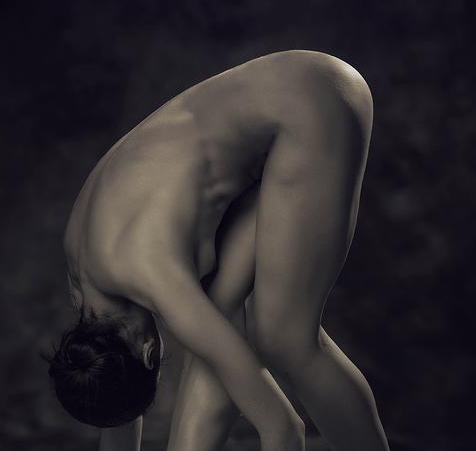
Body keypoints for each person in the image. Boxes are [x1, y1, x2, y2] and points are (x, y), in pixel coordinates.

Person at [45, 50, 390, 451]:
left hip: (314, 102)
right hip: (278, 114)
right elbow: (118, 407)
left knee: (284, 338)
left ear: (150, 352)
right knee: (219, 322)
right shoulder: (87, 288)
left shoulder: (156, 277)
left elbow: (283, 429)